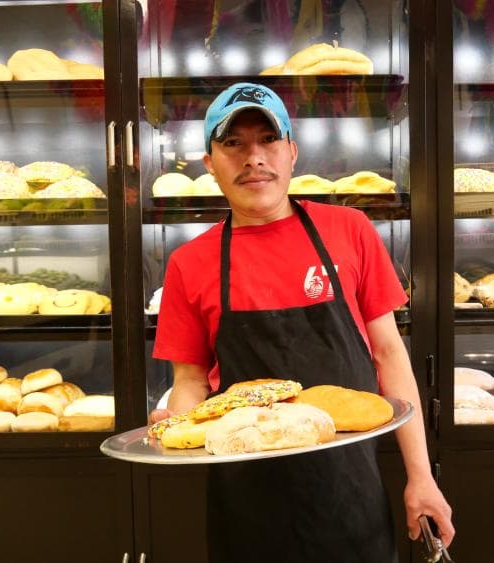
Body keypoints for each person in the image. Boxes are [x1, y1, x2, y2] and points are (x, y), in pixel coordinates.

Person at [151, 82, 454, 562]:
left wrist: (421, 475)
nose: (254, 158)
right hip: (245, 495)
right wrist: (177, 422)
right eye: (233, 143)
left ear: (292, 152)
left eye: (268, 139)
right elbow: (189, 381)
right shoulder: (191, 262)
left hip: (348, 487)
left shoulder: (348, 231)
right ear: (210, 164)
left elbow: (389, 354)